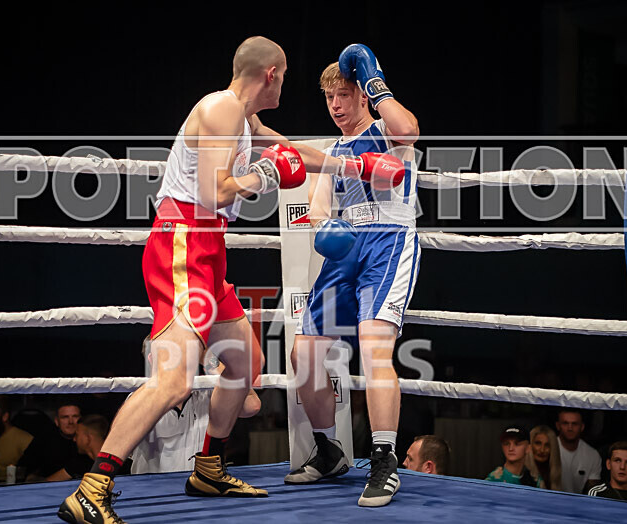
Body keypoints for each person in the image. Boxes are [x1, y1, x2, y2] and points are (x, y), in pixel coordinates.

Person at [58, 36, 387, 524]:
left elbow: (286, 149)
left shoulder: (244, 118)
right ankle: (93, 485)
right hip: (183, 243)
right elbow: (216, 192)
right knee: (173, 382)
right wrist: (266, 173)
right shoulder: (219, 110)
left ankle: (208, 466)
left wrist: (356, 165)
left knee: (244, 361)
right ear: (271, 74)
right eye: (287, 76)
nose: (286, 85)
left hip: (206, 249)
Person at [284, 43, 418, 509]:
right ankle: (328, 451)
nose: (336, 105)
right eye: (329, 98)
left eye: (344, 94)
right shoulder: (335, 150)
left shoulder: (387, 129)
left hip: (389, 240)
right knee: (305, 353)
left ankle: (384, 459)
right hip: (348, 247)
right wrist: (326, 229)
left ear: (363, 93)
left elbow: (410, 128)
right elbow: (319, 208)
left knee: (373, 345)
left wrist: (374, 78)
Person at [131, 336, 262, 473]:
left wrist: (208, 359)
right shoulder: (139, 400)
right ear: (152, 359)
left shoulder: (207, 394)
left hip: (199, 490)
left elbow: (251, 405)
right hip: (155, 491)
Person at [18, 401, 86, 481]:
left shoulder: (88, 441)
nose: (70, 422)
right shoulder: (44, 440)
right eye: (65, 417)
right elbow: (24, 468)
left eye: (75, 416)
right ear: (57, 421)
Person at [48, 415, 128, 481]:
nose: (74, 439)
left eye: (77, 435)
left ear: (87, 438)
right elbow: (46, 484)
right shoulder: (78, 465)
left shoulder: (124, 465)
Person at [555, 408, 602, 493]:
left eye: (574, 424)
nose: (570, 428)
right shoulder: (547, 448)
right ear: (558, 426)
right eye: (565, 423)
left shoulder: (592, 455)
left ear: (582, 427)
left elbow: (593, 491)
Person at [523, 425, 562, 490]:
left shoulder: (553, 473)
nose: (542, 450)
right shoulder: (522, 474)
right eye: (538, 443)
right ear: (530, 445)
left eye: (547, 445)